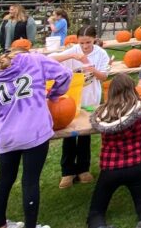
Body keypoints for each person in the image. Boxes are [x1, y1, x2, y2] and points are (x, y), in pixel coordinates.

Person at [0, 47, 72, 228]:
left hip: (7, 134)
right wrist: (53, 94)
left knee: (5, 180)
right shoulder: (36, 60)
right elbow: (65, 75)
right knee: (30, 181)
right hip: (35, 130)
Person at [86, 73, 141, 228]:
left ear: (111, 92)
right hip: (136, 165)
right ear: (132, 89)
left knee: (96, 211)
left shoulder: (102, 112)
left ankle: (99, 226)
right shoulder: (140, 109)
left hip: (110, 169)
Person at [51, 26, 110, 188]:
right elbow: (50, 59)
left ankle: (83, 169)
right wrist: (71, 55)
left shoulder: (100, 53)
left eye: (88, 42)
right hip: (70, 99)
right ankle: (67, 172)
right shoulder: (73, 50)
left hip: (91, 98)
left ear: (94, 39)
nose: (85, 46)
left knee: (85, 134)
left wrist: (93, 70)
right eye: (82, 42)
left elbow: (104, 76)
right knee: (69, 135)